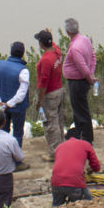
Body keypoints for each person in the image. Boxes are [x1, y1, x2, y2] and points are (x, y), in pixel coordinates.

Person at [0, 42, 32, 169]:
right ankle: (16, 162)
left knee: (2, 132)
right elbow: (21, 93)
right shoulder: (23, 70)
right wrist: (9, 104)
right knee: (17, 133)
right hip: (17, 108)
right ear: (22, 54)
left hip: (0, 107)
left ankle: (2, 159)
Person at [61, 18, 96, 142]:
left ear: (67, 31)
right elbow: (93, 56)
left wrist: (89, 77)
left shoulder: (75, 47)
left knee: (80, 110)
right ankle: (80, 132)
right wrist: (91, 74)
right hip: (82, 80)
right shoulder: (85, 39)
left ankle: (86, 137)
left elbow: (82, 67)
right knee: (79, 109)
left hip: (77, 82)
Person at [34, 29, 65, 161]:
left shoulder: (45, 60)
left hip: (50, 94)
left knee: (51, 124)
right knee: (59, 121)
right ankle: (62, 148)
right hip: (59, 90)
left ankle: (54, 153)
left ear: (41, 44)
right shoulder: (56, 53)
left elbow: (43, 82)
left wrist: (40, 100)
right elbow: (55, 46)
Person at [51, 127, 102, 206]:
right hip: (74, 182)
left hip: (56, 183)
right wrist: (91, 169)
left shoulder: (59, 147)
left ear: (66, 138)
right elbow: (97, 166)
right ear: (81, 137)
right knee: (88, 204)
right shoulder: (85, 144)